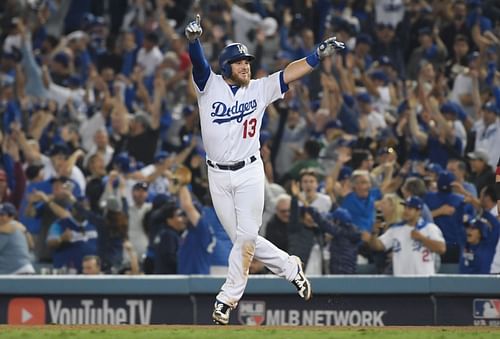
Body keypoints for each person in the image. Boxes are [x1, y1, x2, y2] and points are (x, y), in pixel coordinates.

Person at [185, 14, 345, 324]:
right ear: (225, 66)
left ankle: (226, 300)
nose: (245, 65)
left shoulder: (259, 88)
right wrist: (194, 42)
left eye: (247, 61)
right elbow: (199, 64)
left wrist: (316, 56)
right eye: (238, 62)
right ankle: (289, 267)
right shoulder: (209, 86)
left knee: (246, 238)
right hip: (217, 175)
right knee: (243, 241)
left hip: (248, 172)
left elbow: (289, 73)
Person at [367, 196, 446, 276]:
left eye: (410, 209)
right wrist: (373, 234)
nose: (406, 211)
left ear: (418, 211)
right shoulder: (395, 229)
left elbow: (441, 248)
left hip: (424, 280)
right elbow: (378, 246)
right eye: (405, 207)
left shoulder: (430, 228)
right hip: (401, 281)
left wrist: (422, 238)